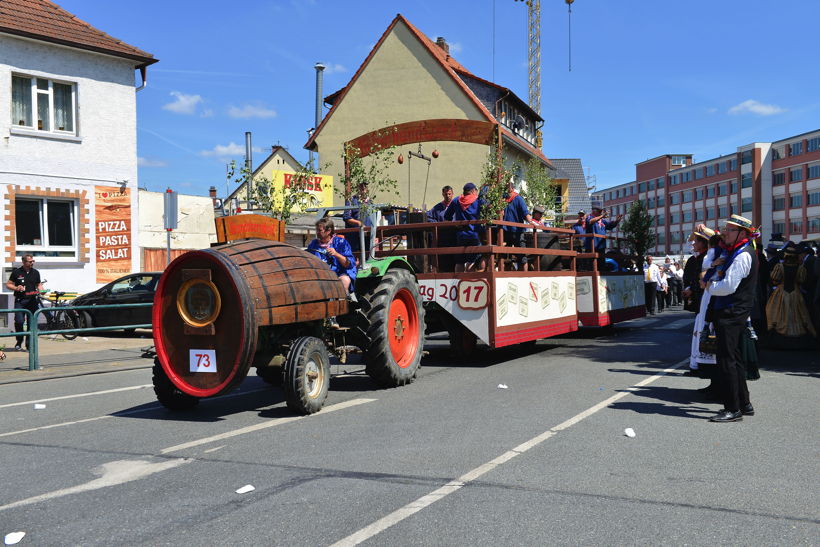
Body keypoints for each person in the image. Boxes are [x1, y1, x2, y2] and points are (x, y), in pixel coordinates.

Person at [705, 215, 758, 423]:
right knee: (734, 360)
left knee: (727, 360)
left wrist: (708, 286)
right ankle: (744, 404)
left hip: (732, 312)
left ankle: (732, 408)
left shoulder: (743, 255)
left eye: (729, 230)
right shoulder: (736, 252)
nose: (724, 233)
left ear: (742, 233)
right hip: (732, 311)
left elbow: (728, 287)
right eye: (725, 229)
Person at [764, 242, 816, 346]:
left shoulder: (780, 266)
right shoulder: (800, 267)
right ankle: (798, 342)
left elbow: (775, 279)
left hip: (781, 292)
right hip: (796, 293)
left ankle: (779, 342)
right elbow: (801, 280)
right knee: (799, 314)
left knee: (777, 313)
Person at [685, 226, 716, 376]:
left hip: (707, 298)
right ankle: (697, 365)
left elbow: (704, 278)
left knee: (703, 333)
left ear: (705, 243)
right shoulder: (700, 257)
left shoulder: (707, 257)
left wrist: (694, 288)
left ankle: (701, 366)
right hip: (701, 299)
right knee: (698, 332)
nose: (693, 244)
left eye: (696, 241)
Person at [307, 217, 357, 293]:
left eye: (319, 230)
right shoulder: (313, 243)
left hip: (339, 273)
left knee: (345, 280)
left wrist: (336, 254)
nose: (317, 232)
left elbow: (349, 264)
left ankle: (342, 302)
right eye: (316, 230)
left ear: (328, 231)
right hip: (319, 275)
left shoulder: (341, 243)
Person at [444, 182, 485, 272]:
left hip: (460, 235)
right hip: (474, 234)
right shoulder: (478, 201)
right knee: (476, 258)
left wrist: (455, 224)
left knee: (459, 261)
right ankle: (470, 280)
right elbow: (487, 213)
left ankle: (458, 280)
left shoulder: (456, 200)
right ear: (473, 191)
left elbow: (447, 216)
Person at [6, 254, 43, 351]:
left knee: (31, 324)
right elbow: (8, 284)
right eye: (30, 261)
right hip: (20, 301)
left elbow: (38, 284)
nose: (32, 263)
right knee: (19, 321)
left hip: (32, 301)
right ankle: (19, 341)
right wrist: (16, 288)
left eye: (33, 261)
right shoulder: (17, 272)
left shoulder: (36, 272)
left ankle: (29, 345)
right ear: (24, 262)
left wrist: (41, 290)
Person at [501, 183, 532, 270]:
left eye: (508, 187)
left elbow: (525, 212)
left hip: (517, 231)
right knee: (506, 256)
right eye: (505, 187)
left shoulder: (518, 199)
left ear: (512, 188)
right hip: (506, 231)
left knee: (522, 255)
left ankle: (524, 276)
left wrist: (530, 221)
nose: (506, 189)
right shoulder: (503, 199)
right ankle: (505, 276)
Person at [584, 203, 623, 270]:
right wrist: (602, 216)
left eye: (601, 211)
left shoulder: (602, 221)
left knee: (601, 265)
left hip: (601, 247)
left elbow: (609, 226)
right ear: (594, 211)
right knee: (592, 265)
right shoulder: (589, 217)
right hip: (592, 246)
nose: (601, 212)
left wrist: (617, 221)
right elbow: (590, 222)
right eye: (599, 211)